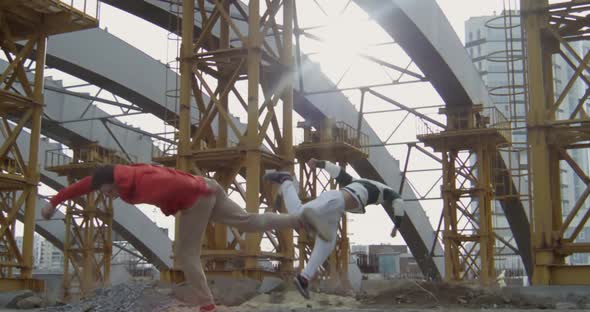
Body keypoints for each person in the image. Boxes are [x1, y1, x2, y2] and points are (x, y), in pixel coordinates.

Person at [42, 163, 333, 312]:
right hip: (207, 186)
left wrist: (178, 202)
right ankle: (300, 218)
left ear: (113, 182)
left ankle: (206, 305)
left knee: (185, 254)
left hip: (197, 195)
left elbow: (173, 183)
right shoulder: (125, 176)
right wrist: (54, 201)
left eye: (107, 192)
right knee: (246, 221)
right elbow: (86, 184)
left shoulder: (139, 180)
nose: (108, 197)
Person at [264, 158, 405, 299]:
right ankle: (286, 180)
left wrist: (319, 163)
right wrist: (396, 226)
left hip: (336, 210)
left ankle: (304, 278)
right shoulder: (386, 191)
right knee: (299, 214)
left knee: (327, 243)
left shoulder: (357, 182)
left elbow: (338, 172)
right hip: (335, 201)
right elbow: (398, 200)